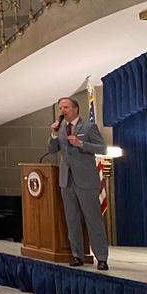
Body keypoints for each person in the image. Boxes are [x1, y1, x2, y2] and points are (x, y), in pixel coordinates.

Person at [48, 96, 109, 270]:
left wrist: (81, 143)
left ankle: (102, 257)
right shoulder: (60, 129)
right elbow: (52, 151)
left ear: (75, 109)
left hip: (86, 180)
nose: (62, 111)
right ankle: (77, 255)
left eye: (65, 107)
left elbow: (102, 148)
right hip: (66, 180)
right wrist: (53, 134)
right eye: (60, 108)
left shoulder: (88, 127)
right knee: (72, 219)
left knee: (93, 219)